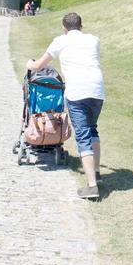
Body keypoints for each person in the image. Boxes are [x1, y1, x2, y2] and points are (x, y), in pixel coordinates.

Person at [26, 12, 104, 199]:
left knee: (83, 136)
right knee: (93, 130)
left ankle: (92, 186)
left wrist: (30, 64)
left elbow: (39, 66)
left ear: (64, 27)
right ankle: (97, 172)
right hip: (97, 90)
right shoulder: (94, 39)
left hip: (77, 91)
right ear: (81, 25)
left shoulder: (60, 41)